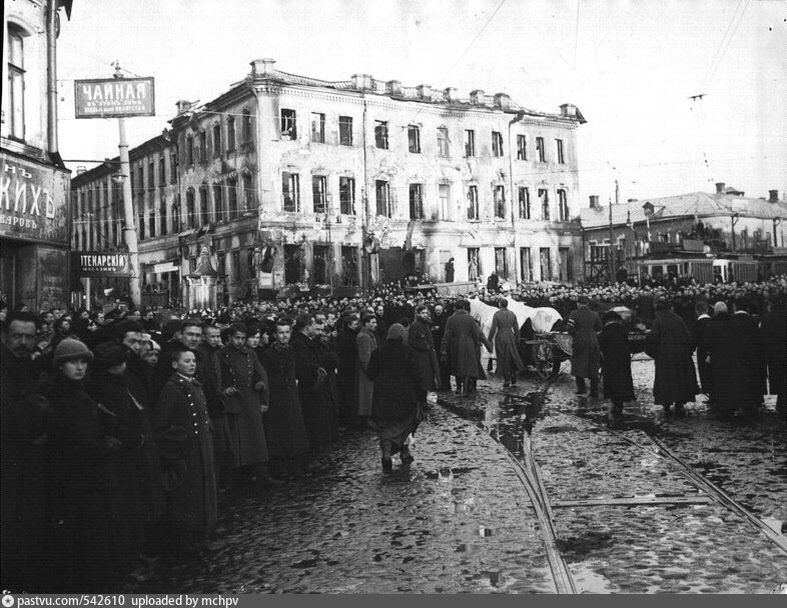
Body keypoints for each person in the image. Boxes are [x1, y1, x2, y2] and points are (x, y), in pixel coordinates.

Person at [41, 338, 126, 592]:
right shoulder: (61, 396)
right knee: (84, 541)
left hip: (88, 479)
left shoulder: (78, 391)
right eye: (72, 363)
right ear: (60, 366)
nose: (79, 367)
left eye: (82, 362)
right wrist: (105, 445)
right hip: (78, 482)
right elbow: (73, 441)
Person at [1, 312, 49, 591]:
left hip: (26, 464)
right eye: (17, 336)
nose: (23, 342)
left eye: (29, 337)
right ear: (6, 336)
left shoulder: (26, 366)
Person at [154, 347, 218, 549]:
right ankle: (189, 536)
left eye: (193, 361)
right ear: (175, 365)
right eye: (186, 361)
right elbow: (162, 423)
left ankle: (204, 530)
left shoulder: (194, 384)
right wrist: (180, 439)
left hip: (203, 446)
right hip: (187, 450)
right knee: (190, 492)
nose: (192, 364)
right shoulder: (172, 388)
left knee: (205, 487)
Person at [218, 323, 279, 487]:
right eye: (236, 338)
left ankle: (262, 474)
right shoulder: (221, 355)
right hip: (233, 401)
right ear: (230, 337)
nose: (239, 342)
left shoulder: (250, 354)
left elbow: (260, 374)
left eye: (242, 338)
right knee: (235, 441)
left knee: (256, 439)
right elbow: (218, 377)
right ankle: (234, 478)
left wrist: (262, 391)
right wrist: (224, 390)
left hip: (251, 400)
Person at [258, 319, 310, 480]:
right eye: (281, 333)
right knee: (280, 433)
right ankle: (282, 468)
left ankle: (296, 466)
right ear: (275, 334)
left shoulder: (292, 350)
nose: (284, 336)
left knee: (296, 431)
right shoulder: (268, 354)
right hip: (277, 397)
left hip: (292, 396)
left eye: (287, 332)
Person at [367, 324, 423, 473]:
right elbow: (417, 376)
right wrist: (421, 395)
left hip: (383, 396)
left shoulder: (377, 352)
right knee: (405, 425)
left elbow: (371, 373)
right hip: (405, 395)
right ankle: (404, 451)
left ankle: (386, 453)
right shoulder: (409, 352)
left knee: (386, 426)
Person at [290, 313, 339, 454]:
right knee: (312, 423)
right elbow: (305, 366)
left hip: (316, 386)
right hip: (310, 388)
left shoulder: (309, 342)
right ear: (307, 327)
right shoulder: (300, 344)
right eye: (314, 326)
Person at [648, 298, 698, 415]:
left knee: (666, 379)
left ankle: (667, 403)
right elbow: (687, 335)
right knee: (679, 378)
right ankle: (679, 402)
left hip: (665, 355)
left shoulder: (658, 320)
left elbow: (653, 339)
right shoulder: (678, 318)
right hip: (680, 354)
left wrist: (655, 354)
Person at [441, 299, 492, 397]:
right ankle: (465, 388)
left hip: (455, 345)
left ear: (455, 308)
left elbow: (446, 336)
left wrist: (443, 350)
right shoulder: (470, 319)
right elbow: (479, 334)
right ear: (464, 308)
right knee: (467, 367)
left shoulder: (451, 319)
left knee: (457, 365)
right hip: (468, 345)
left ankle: (458, 388)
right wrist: (488, 346)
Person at [598, 311, 635, 421]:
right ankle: (622, 401)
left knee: (612, 381)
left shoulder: (605, 330)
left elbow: (601, 345)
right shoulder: (623, 329)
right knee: (623, 380)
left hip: (610, 360)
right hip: (623, 359)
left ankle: (615, 402)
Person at [567, 295, 601, 397]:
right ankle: (594, 390)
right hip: (593, 340)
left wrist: (577, 334)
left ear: (578, 304)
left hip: (580, 340)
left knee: (578, 363)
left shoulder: (574, 314)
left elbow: (570, 328)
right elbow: (599, 327)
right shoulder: (595, 314)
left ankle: (582, 389)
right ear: (587, 304)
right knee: (593, 364)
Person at [408, 305, 440, 408]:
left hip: (427, 356)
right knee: (423, 380)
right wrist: (425, 345)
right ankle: (421, 402)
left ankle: (424, 400)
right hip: (421, 357)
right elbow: (412, 341)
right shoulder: (416, 325)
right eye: (423, 313)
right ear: (418, 314)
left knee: (428, 379)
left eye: (426, 313)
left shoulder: (425, 324)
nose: (425, 315)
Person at [487, 298, 524, 387]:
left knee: (502, 357)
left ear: (500, 304)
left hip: (501, 336)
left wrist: (489, 339)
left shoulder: (497, 314)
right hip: (511, 336)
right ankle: (513, 374)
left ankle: (507, 379)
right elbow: (516, 328)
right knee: (511, 356)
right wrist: (517, 339)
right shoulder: (512, 314)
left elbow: (493, 328)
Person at [760, 296, 786, 417]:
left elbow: (763, 340)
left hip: (774, 355)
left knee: (778, 380)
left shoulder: (767, 318)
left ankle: (781, 404)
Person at [335, 311, 360, 428]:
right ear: (349, 324)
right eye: (355, 324)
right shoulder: (344, 336)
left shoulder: (348, 335)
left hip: (349, 367)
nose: (357, 326)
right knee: (348, 394)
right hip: (346, 368)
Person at [356, 312, 378, 423]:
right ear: (366, 323)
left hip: (371, 370)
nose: (376, 324)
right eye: (373, 322)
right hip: (367, 372)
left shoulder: (368, 335)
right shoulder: (364, 337)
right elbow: (365, 357)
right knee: (367, 396)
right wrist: (371, 372)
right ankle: (367, 419)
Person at [691, 300, 713, 403]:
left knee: (704, 374)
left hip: (702, 352)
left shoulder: (697, 324)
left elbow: (694, 340)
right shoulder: (713, 321)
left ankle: (708, 393)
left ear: (697, 311)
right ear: (707, 310)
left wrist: (690, 349)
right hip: (714, 351)